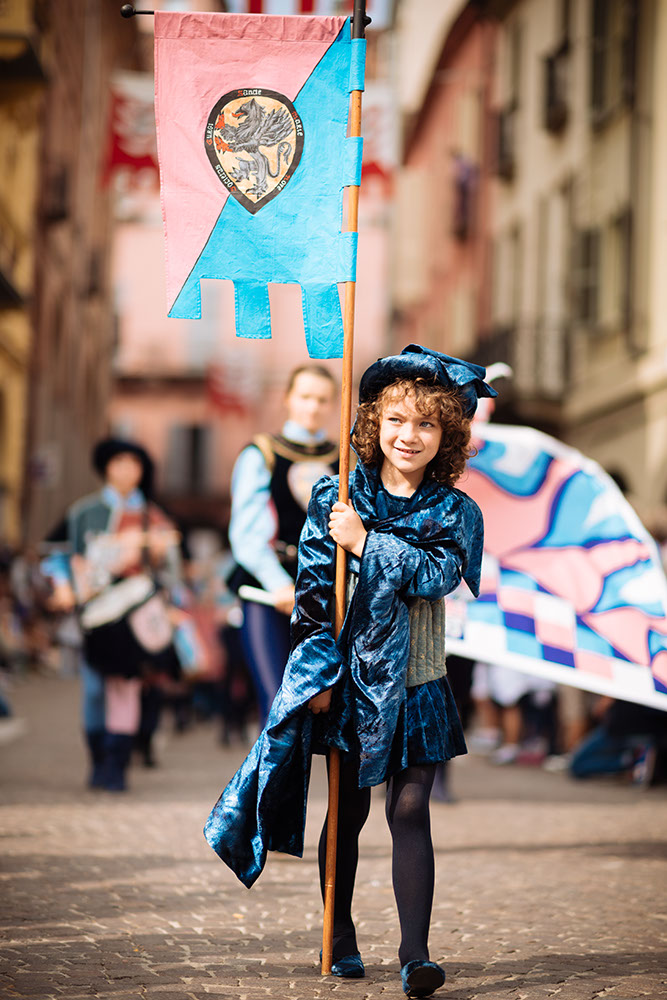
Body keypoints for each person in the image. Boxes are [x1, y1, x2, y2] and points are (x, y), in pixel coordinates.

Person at [205, 345, 496, 998]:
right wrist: (316, 674)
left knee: (412, 806)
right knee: (348, 812)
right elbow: (312, 594)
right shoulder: (332, 495)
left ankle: (414, 955)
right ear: (373, 423)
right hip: (349, 683)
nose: (408, 435)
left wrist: (369, 543)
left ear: (446, 433)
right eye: (396, 420)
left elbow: (438, 575)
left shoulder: (455, 513)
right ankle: (337, 934)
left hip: (418, 681)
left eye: (425, 424)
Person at [42, 438, 181, 792]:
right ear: (106, 466)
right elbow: (57, 553)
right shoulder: (83, 512)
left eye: (134, 463)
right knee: (92, 690)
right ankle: (97, 758)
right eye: (119, 461)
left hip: (133, 617)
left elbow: (171, 570)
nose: (126, 469)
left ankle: (116, 766)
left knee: (127, 689)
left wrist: (166, 564)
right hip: (91, 615)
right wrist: (62, 584)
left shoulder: (154, 515)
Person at [228, 364, 337, 725]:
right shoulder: (262, 453)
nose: (313, 406)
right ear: (289, 398)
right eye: (305, 396)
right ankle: (271, 782)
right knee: (277, 704)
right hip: (267, 589)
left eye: (322, 399)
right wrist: (277, 583)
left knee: (320, 702)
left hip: (325, 590)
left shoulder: (343, 459)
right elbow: (245, 532)